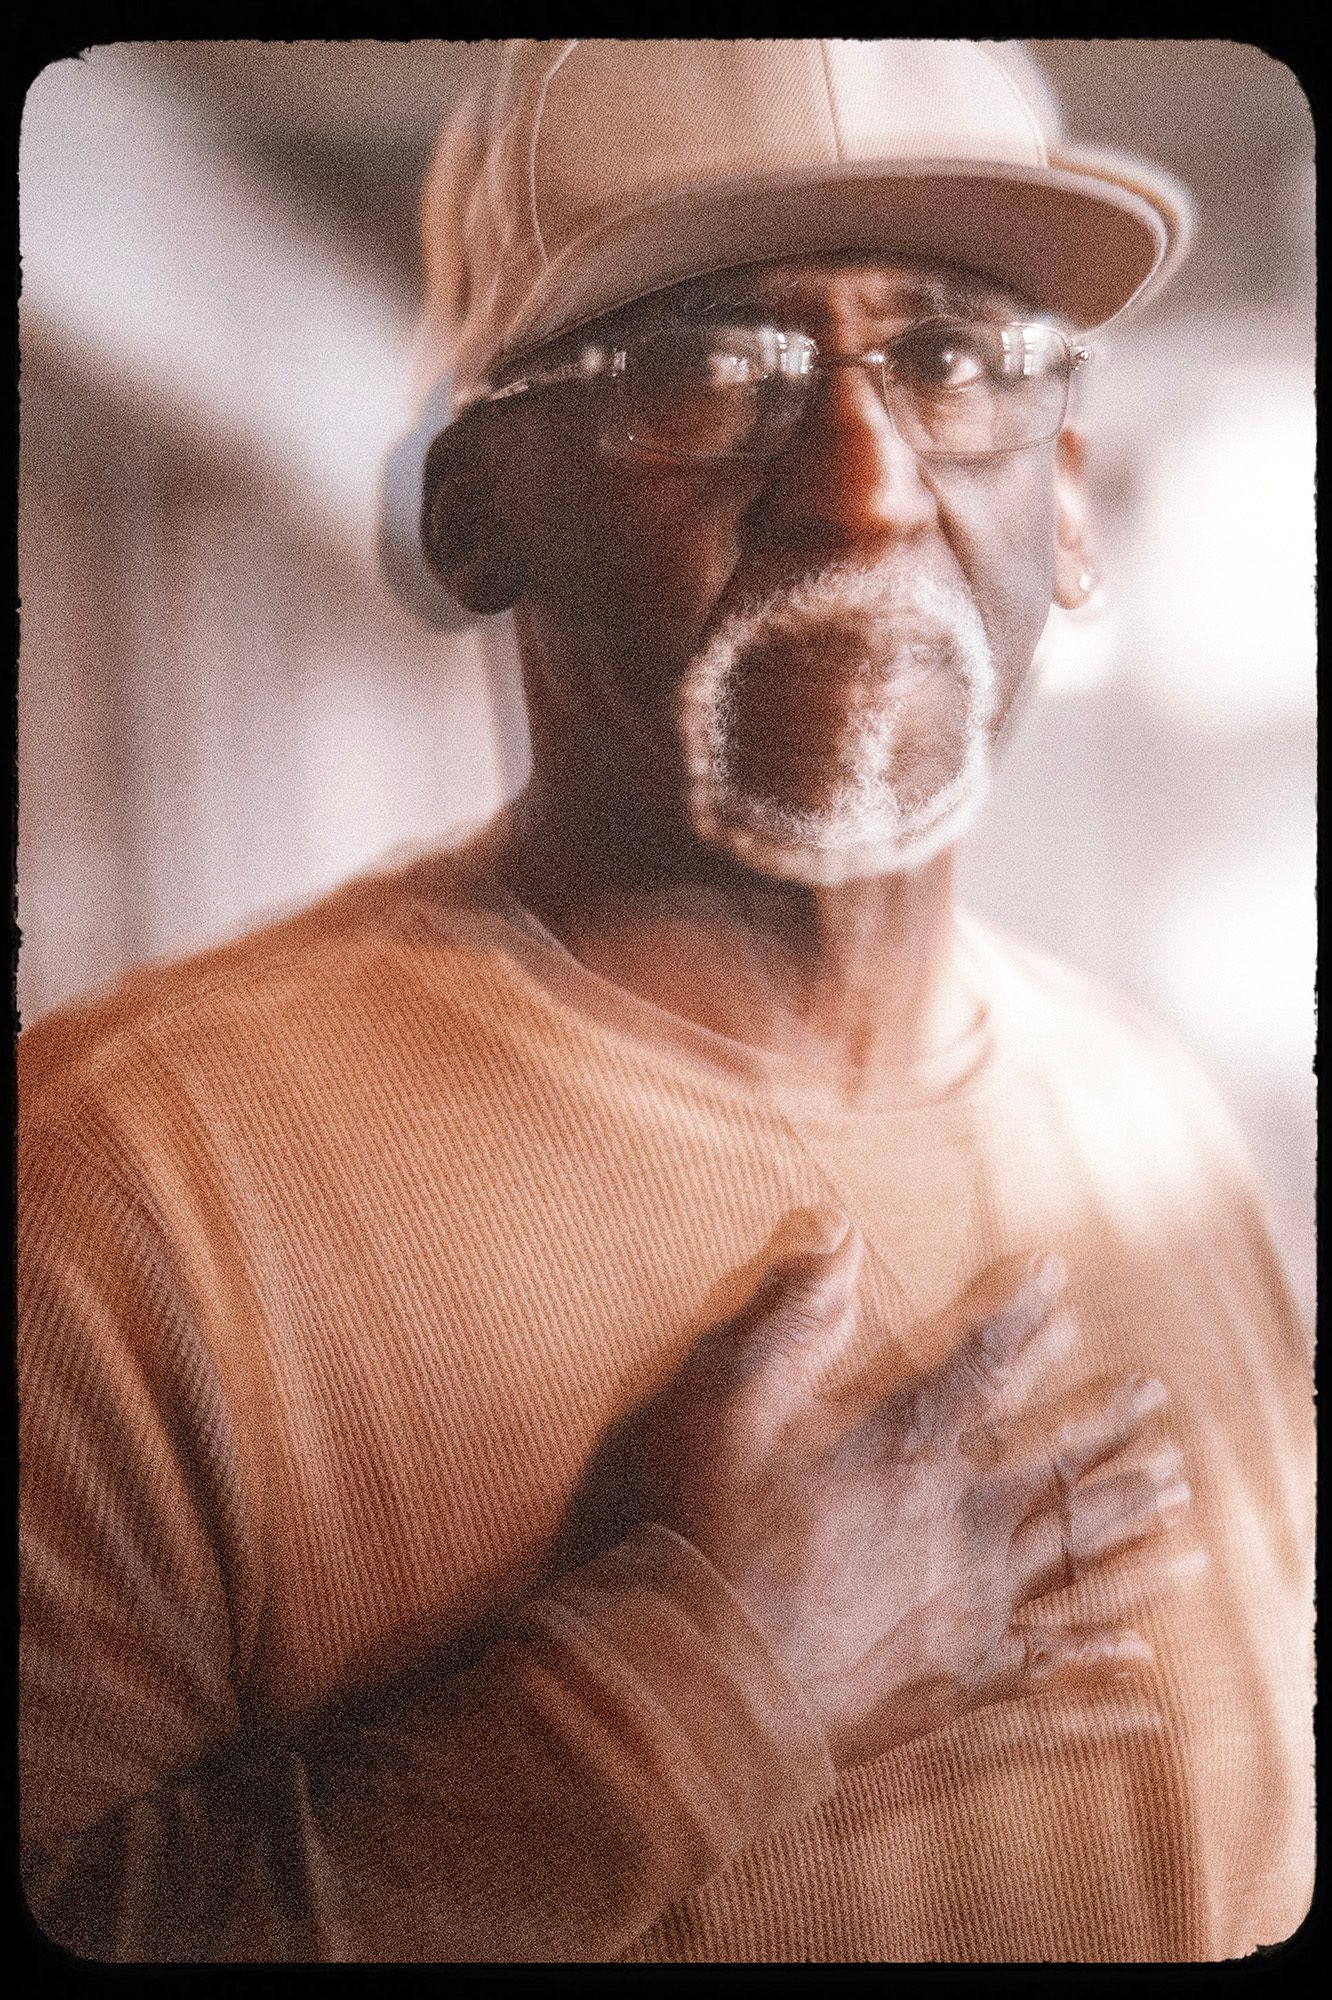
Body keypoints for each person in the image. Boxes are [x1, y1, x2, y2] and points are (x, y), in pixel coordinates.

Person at [19, 39, 1313, 1964]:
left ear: (1070, 498)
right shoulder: (125, 1192)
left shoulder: (1161, 1137)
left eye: (952, 361)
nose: (865, 491)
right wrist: (688, 1693)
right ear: (474, 513)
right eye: (709, 369)